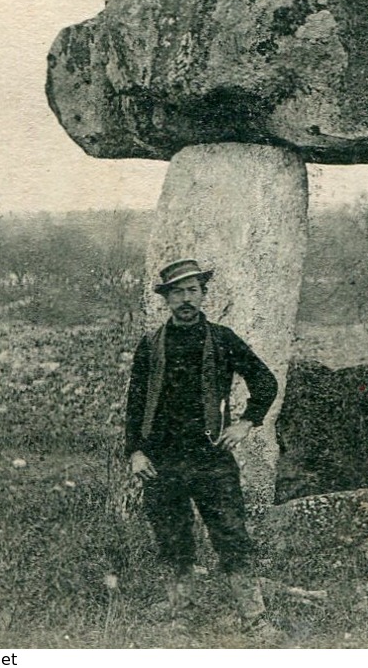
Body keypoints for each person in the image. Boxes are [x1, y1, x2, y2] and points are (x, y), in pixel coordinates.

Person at [124, 258, 278, 627]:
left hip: (211, 458)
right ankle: (182, 612)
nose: (186, 299)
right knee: (173, 538)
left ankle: (253, 618)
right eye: (177, 292)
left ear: (203, 294)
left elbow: (265, 382)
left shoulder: (223, 339)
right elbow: (135, 402)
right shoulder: (151, 345)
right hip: (162, 461)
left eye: (192, 290)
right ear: (166, 299)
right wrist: (136, 451)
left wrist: (246, 423)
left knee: (231, 535)